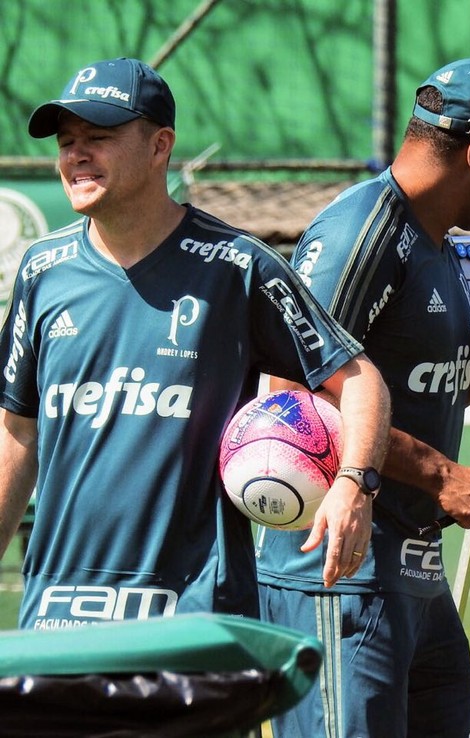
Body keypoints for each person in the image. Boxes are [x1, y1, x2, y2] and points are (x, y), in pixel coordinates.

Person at [0, 57, 391, 632]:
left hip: (194, 617)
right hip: (56, 616)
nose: (76, 155)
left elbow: (359, 380)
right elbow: (17, 433)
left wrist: (355, 484)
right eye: (66, 142)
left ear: (160, 146)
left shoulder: (238, 267)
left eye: (98, 137)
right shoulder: (42, 269)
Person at [256, 56, 470, 737]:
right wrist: (442, 475)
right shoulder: (360, 235)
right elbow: (293, 404)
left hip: (415, 577)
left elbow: (419, 387)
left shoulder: (435, 243)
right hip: (340, 574)